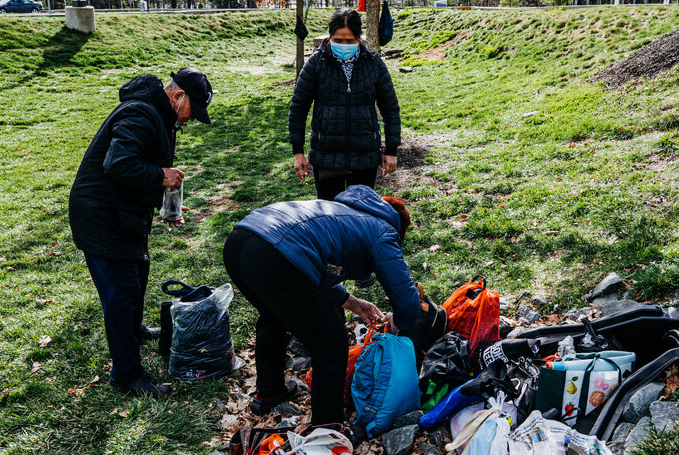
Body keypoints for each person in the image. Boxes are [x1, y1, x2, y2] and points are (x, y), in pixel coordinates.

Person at [223, 185, 422, 427]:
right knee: (331, 344)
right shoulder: (383, 230)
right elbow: (406, 297)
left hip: (241, 240)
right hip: (276, 252)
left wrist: (350, 301)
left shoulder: (345, 211)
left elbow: (314, 269)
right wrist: (399, 322)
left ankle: (270, 391)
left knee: (273, 315)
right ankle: (327, 428)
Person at [69, 69, 214, 397]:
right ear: (178, 97)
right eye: (193, 111)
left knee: (138, 270)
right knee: (120, 293)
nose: (191, 120)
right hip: (101, 215)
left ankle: (133, 330)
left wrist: (163, 202)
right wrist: (161, 176)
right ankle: (127, 375)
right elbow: (118, 163)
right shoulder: (141, 113)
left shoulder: (162, 115)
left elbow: (142, 167)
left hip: (125, 214)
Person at [289, 8, 401, 201]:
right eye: (338, 40)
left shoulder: (374, 64)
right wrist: (298, 152)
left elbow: (390, 110)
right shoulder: (316, 64)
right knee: (330, 216)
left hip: (365, 156)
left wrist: (391, 150)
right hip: (327, 156)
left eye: (350, 41)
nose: (344, 45)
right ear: (330, 37)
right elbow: (298, 109)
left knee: (361, 214)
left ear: (359, 38)